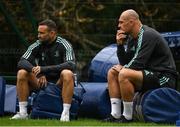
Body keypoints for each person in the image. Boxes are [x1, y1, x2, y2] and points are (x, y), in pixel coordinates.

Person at [104, 9, 177, 123]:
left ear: (132, 22)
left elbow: (138, 62)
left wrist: (123, 69)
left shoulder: (147, 34)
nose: (119, 26)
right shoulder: (133, 38)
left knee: (124, 73)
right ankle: (115, 114)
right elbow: (125, 62)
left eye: (121, 22)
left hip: (163, 77)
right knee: (112, 72)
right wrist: (119, 46)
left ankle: (127, 116)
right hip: (148, 75)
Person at [11, 19, 76, 122]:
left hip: (59, 84)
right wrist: (38, 72)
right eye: (38, 32)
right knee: (22, 72)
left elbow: (71, 64)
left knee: (67, 73)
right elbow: (22, 61)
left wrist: (44, 69)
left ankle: (65, 113)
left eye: (42, 33)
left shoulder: (64, 44)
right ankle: (23, 113)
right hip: (41, 83)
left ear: (52, 33)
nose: (38, 36)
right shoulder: (37, 44)